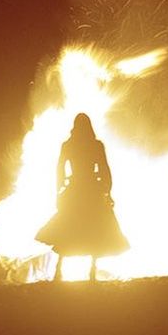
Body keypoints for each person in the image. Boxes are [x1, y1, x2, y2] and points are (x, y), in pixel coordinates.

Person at [35, 113, 129, 281]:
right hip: (91, 189)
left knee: (68, 228)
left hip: (76, 190)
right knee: (96, 229)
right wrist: (107, 190)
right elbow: (104, 169)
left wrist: (59, 190)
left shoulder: (68, 145)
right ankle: (91, 270)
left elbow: (60, 170)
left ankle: (59, 270)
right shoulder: (96, 145)